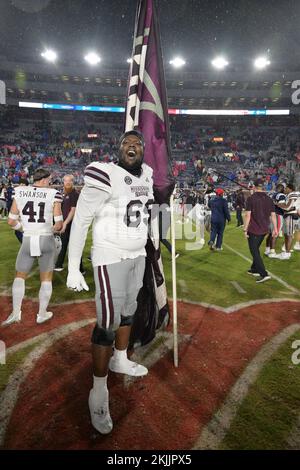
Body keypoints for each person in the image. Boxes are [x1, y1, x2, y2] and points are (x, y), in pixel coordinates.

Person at [67, 130, 153, 435]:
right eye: (125, 144)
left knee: (129, 312)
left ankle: (119, 359)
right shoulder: (105, 174)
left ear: (143, 150)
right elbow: (82, 220)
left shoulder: (148, 175)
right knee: (107, 323)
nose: (131, 147)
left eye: (136, 144)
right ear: (118, 149)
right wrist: (73, 267)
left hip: (137, 256)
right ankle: (98, 391)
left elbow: (146, 213)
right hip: (110, 257)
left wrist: (154, 241)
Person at [2, 168, 63, 326]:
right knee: (46, 278)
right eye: (49, 180)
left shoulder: (20, 191)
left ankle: (16, 313)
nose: (50, 183)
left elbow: (11, 221)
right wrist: (50, 230)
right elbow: (58, 224)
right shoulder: (53, 194)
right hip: (45, 239)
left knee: (19, 276)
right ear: (43, 180)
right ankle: (41, 314)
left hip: (28, 239)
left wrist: (24, 228)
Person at [243, 178, 277, 283]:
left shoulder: (251, 199)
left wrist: (245, 229)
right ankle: (254, 269)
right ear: (263, 187)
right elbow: (273, 215)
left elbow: (247, 215)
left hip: (254, 229)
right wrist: (275, 228)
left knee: (254, 252)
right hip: (264, 229)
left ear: (254, 186)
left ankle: (263, 274)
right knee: (256, 249)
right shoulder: (269, 199)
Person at [54, 174, 84, 273]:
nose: (67, 182)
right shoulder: (63, 193)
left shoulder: (75, 194)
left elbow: (73, 210)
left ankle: (80, 268)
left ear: (72, 182)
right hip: (64, 224)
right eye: (65, 181)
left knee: (74, 247)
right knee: (63, 244)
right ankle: (59, 264)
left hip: (73, 224)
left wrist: (65, 223)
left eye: (69, 181)